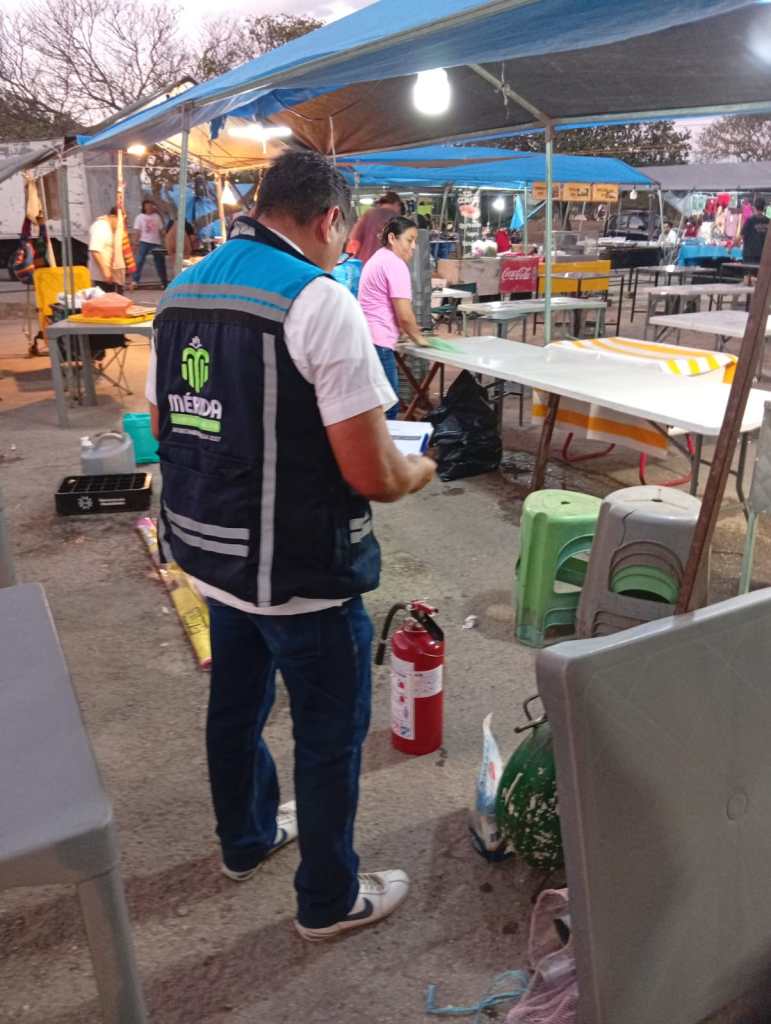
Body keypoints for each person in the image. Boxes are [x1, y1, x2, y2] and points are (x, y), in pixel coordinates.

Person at [146, 151, 435, 942]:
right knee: (328, 734)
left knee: (235, 708)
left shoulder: (181, 291)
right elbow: (371, 473)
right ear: (329, 219)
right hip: (300, 572)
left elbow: (169, 425)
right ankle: (328, 900)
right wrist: (418, 468)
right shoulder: (316, 299)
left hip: (211, 554)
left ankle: (244, 840)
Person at [358, 216, 429, 420]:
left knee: (375, 403)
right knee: (388, 405)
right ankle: (383, 441)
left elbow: (385, 304)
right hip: (378, 341)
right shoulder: (395, 264)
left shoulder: (379, 257)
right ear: (392, 238)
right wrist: (420, 339)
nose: (413, 246)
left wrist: (404, 333)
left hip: (366, 337)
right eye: (409, 240)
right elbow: (405, 315)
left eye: (415, 241)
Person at [347, 191, 403, 264]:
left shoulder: (369, 214)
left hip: (365, 262)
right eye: (399, 206)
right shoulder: (398, 220)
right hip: (388, 264)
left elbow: (354, 239)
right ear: (396, 203)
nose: (399, 209)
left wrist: (349, 260)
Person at [132, 199, 168, 289]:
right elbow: (137, 231)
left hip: (156, 242)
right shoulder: (139, 217)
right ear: (144, 207)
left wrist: (167, 238)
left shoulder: (157, 217)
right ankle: (135, 281)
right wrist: (135, 242)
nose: (149, 208)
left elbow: (161, 230)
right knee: (139, 261)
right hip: (144, 242)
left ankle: (164, 281)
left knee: (160, 262)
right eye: (147, 206)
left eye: (151, 206)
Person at [88, 207, 120, 292]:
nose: (120, 224)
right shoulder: (100, 227)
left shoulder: (111, 228)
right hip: (102, 278)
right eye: (120, 221)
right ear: (113, 217)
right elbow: (95, 251)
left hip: (113, 276)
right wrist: (106, 272)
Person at [741, 196, 770, 266]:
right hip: (763, 255)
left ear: (754, 207)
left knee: (748, 272)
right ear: (764, 208)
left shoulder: (750, 220)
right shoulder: (768, 221)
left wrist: (731, 247)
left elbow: (742, 235)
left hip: (749, 254)